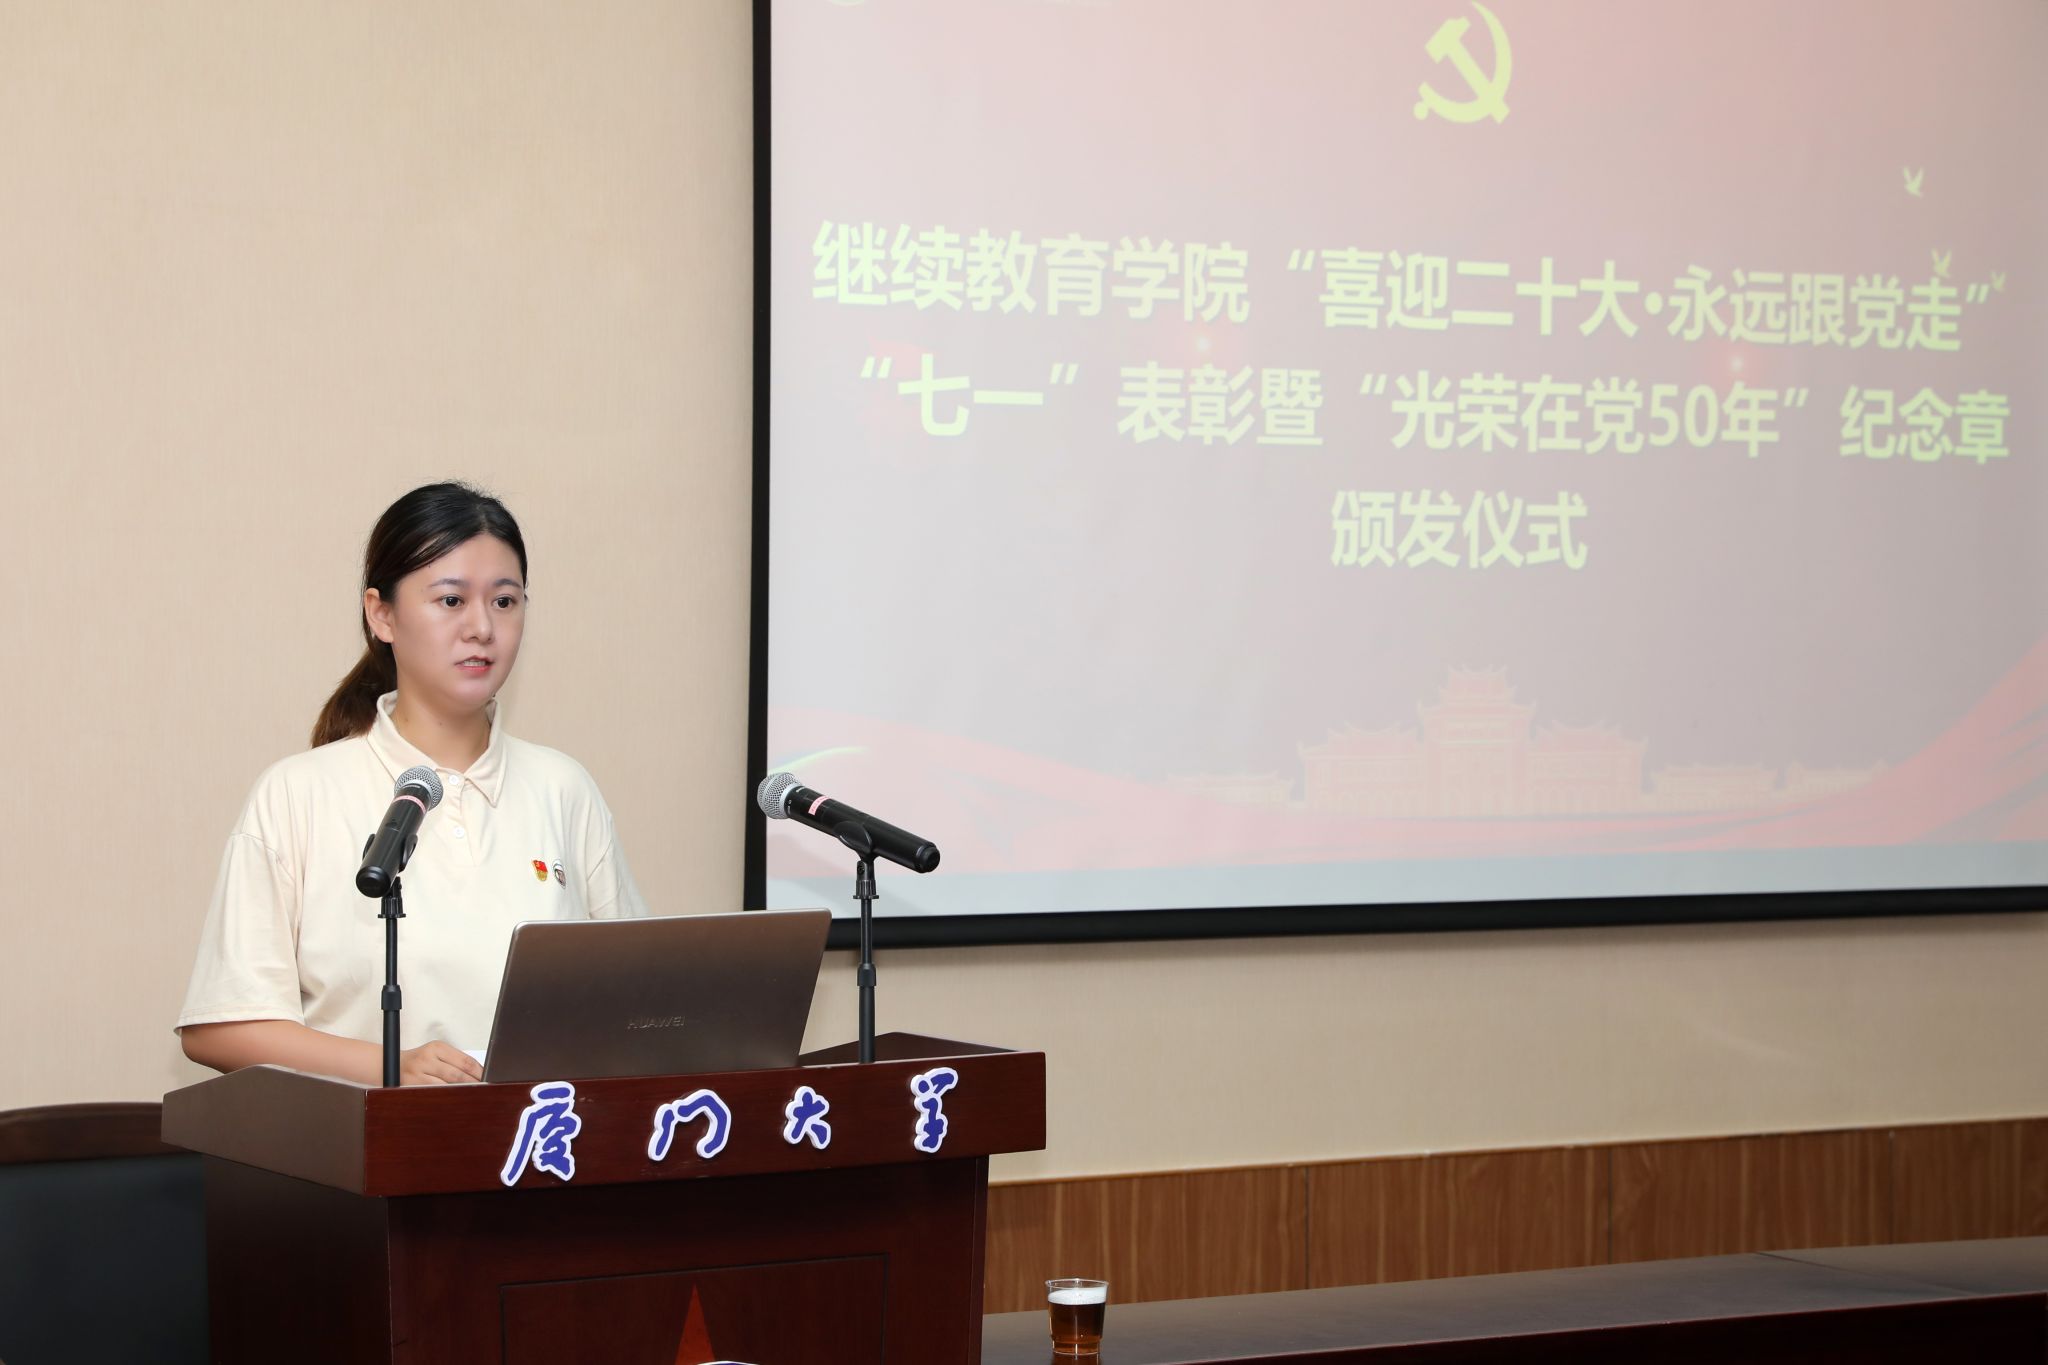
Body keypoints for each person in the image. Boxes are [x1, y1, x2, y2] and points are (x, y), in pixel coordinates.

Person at [178, 483, 647, 1085]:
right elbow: (222, 1026)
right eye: (451, 600)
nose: (482, 627)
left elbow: (641, 1001)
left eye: (505, 601)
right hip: (364, 1140)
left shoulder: (563, 788)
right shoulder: (298, 794)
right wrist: (391, 1070)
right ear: (382, 615)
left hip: (544, 1136)